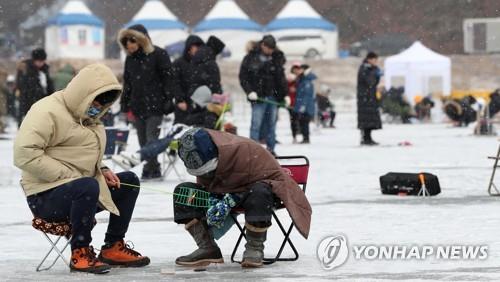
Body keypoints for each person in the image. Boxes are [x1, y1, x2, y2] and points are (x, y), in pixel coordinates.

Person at [13, 64, 150, 274]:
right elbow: (24, 154)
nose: (98, 108)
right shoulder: (46, 111)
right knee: (86, 186)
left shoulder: (90, 118)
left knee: (129, 182)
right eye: (95, 101)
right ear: (83, 94)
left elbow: (83, 152)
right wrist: (69, 176)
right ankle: (80, 252)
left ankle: (113, 246)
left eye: (104, 104)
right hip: (45, 197)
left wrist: (102, 168)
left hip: (81, 190)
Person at [171, 128, 311, 268]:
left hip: (260, 194)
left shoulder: (247, 150)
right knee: (184, 193)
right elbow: (206, 185)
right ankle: (207, 247)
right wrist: (214, 199)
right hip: (224, 193)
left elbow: (272, 180)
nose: (205, 175)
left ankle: (254, 248)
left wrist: (234, 197)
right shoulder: (198, 153)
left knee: (259, 192)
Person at [118, 24, 175, 180]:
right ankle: (153, 166)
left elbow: (168, 78)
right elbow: (127, 83)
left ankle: (151, 167)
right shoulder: (130, 60)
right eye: (126, 46)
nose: (129, 49)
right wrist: (124, 103)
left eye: (132, 44)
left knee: (151, 138)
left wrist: (170, 98)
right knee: (142, 140)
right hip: (138, 105)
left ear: (141, 41)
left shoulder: (159, 54)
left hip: (156, 105)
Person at [239, 35, 289, 155]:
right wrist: (249, 91)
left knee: (271, 125)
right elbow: (244, 77)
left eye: (272, 49)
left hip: (273, 97)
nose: (270, 51)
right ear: (263, 45)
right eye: (268, 48)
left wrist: (285, 95)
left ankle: (271, 150)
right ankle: (253, 150)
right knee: (256, 124)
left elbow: (280, 78)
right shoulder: (250, 58)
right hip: (258, 97)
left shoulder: (276, 58)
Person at [173, 35, 225, 125]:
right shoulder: (179, 63)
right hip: (185, 102)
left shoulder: (201, 61)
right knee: (181, 128)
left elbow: (207, 82)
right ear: (188, 48)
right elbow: (174, 83)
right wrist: (180, 100)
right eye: (194, 47)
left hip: (198, 101)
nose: (197, 49)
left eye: (199, 46)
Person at [16, 48, 54, 126]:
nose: (41, 63)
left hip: (41, 101)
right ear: (34, 60)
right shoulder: (25, 68)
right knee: (26, 125)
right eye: (39, 61)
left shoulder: (44, 70)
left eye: (43, 61)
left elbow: (49, 85)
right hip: (27, 101)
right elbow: (21, 84)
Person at [357, 52, 382, 145]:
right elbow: (370, 82)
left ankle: (368, 138)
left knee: (370, 120)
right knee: (366, 120)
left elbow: (374, 83)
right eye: (375, 60)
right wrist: (375, 73)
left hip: (370, 97)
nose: (376, 62)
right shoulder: (365, 69)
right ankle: (365, 138)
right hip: (365, 98)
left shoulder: (370, 69)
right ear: (369, 59)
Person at [291, 64, 316, 144]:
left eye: (301, 69)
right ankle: (305, 138)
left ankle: (306, 138)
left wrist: (303, 106)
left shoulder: (306, 80)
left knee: (304, 122)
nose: (299, 71)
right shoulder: (303, 79)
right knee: (302, 122)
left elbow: (306, 94)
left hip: (305, 105)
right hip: (301, 104)